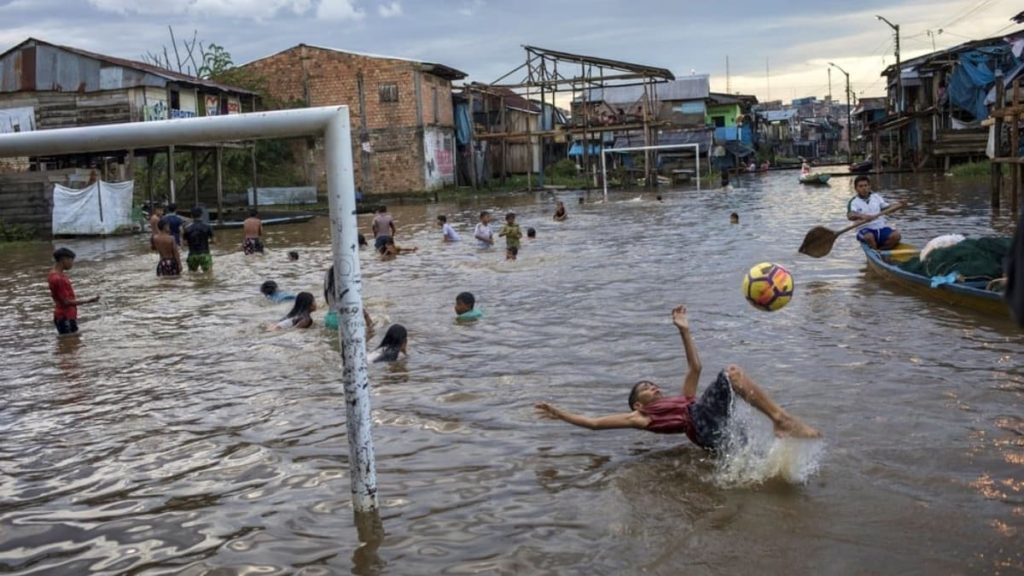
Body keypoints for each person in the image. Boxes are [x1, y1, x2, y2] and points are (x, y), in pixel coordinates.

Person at [535, 305, 821, 453]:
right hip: (700, 424)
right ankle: (780, 418)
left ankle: (790, 453)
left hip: (710, 434)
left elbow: (695, 368)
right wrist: (560, 414)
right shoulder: (641, 418)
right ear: (637, 404)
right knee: (731, 374)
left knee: (754, 458)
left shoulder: (683, 399)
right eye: (645, 388)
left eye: (652, 383)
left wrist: (683, 330)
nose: (653, 386)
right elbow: (594, 424)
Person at [48, 247, 100, 336]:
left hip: (64, 316)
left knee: (70, 345)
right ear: (63, 260)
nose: (72, 264)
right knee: (71, 346)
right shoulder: (58, 278)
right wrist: (88, 301)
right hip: (65, 317)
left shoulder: (54, 274)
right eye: (71, 260)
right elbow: (66, 302)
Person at [847, 175, 906, 250]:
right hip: (864, 229)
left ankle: (881, 250)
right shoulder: (853, 202)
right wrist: (862, 216)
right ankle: (875, 252)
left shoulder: (876, 197)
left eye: (866, 185)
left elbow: (887, 209)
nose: (864, 188)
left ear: (869, 186)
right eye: (860, 186)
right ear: (856, 188)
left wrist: (899, 205)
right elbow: (850, 215)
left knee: (897, 235)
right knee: (869, 237)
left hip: (881, 228)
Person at [323, 265, 375, 338]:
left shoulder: (328, 275)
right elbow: (352, 299)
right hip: (345, 317)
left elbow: (327, 300)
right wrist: (367, 317)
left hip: (329, 318)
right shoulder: (347, 279)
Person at [183, 206, 214, 273]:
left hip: (192, 255)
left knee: (192, 275)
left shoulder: (187, 228)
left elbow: (185, 243)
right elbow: (213, 241)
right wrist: (207, 241)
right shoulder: (207, 226)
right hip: (204, 254)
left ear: (191, 215)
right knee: (209, 275)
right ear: (202, 214)